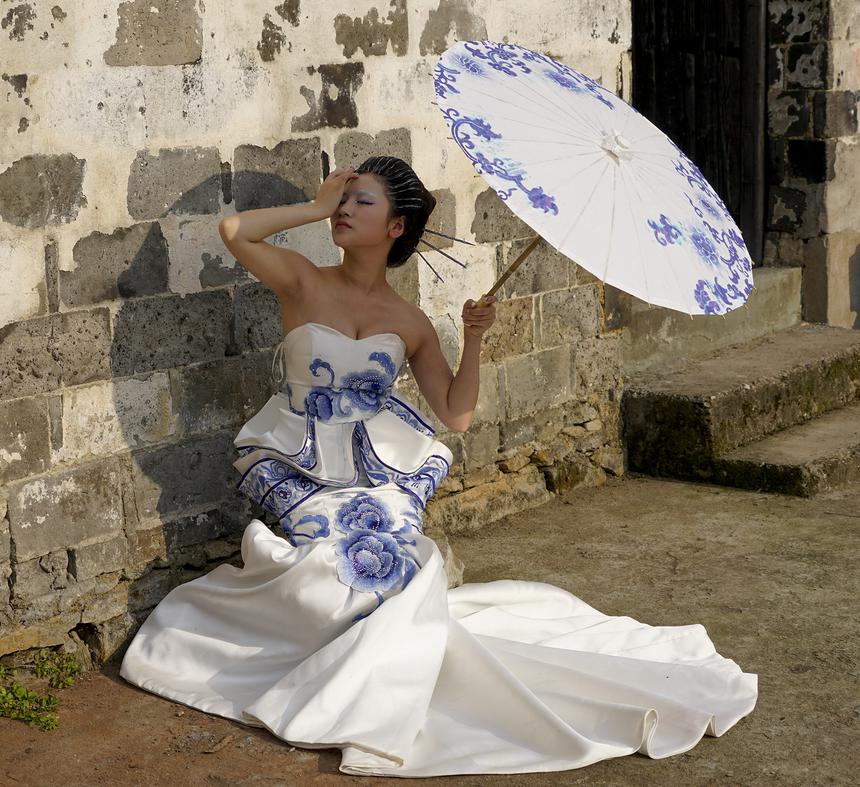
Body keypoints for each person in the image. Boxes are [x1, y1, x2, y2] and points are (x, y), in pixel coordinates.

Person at [119, 155, 758, 777]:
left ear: (396, 226)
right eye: (343, 199)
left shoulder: (411, 321)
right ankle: (288, 653)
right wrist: (314, 206)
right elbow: (235, 231)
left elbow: (455, 413)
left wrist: (474, 338)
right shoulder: (302, 281)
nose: (344, 210)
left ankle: (390, 684)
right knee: (332, 578)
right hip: (299, 462)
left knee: (393, 572)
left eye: (361, 201)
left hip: (379, 472)